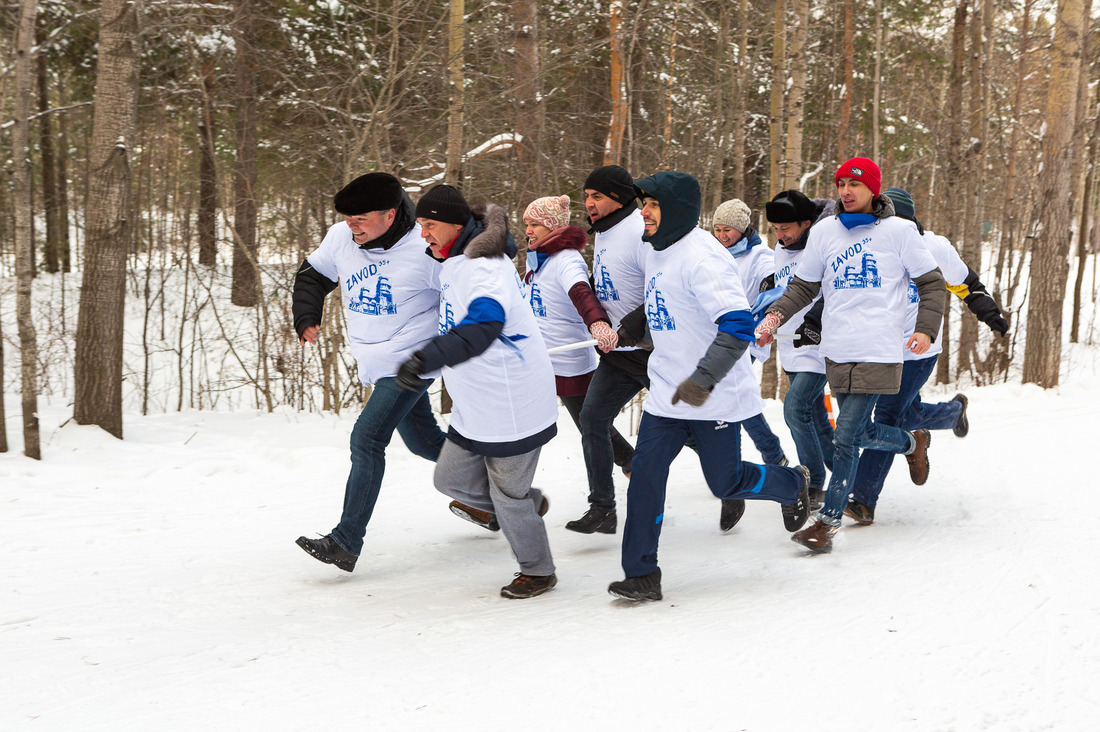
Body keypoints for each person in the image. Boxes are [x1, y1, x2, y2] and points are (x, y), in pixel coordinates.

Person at [607, 171, 811, 602]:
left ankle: (792, 484)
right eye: (643, 204)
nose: (643, 212)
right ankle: (642, 573)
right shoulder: (658, 249)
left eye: (652, 205)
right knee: (644, 479)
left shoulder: (704, 257)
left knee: (727, 483)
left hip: (712, 394)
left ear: (677, 210)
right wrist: (630, 329)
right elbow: (665, 304)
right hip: (666, 391)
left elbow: (737, 327)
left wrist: (702, 379)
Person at [756, 157, 946, 554]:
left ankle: (826, 522)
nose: (846, 191)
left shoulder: (899, 231)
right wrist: (774, 317)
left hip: (880, 346)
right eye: (841, 183)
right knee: (859, 433)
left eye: (855, 184)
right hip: (837, 348)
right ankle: (913, 442)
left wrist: (926, 329)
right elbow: (804, 288)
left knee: (845, 435)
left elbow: (932, 284)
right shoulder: (825, 231)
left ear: (873, 189)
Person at [395, 184, 559, 599]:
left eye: (429, 225)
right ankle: (527, 505)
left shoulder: (485, 267)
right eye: (420, 225)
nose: (423, 234)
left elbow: (485, 325)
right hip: (476, 405)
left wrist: (428, 359)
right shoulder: (455, 261)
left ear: (454, 224)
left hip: (511, 403)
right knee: (449, 480)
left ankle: (538, 572)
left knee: (506, 496)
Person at [294, 172, 446, 573]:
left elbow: (466, 295)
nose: (351, 225)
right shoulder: (341, 237)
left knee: (367, 438)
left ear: (390, 214)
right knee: (424, 443)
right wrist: (306, 313)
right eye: (347, 217)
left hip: (415, 358)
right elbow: (313, 275)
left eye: (360, 218)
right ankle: (503, 494)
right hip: (376, 362)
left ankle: (345, 541)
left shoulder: (425, 247)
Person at [844, 187, 1010, 524]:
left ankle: (862, 499)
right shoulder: (872, 242)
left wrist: (990, 314)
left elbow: (967, 284)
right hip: (881, 348)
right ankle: (952, 414)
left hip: (920, 351)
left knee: (887, 417)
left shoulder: (934, 247)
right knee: (908, 413)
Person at [568, 165, 649, 535]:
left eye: (597, 196)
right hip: (617, 354)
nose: (589, 203)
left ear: (618, 198)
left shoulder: (639, 230)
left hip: (652, 351)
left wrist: (630, 327)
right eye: (586, 196)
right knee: (592, 419)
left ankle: (730, 485)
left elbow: (662, 289)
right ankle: (602, 507)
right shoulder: (604, 231)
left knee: (690, 428)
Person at [520, 194, 633, 459]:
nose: (527, 230)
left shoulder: (567, 260)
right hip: (539, 357)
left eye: (534, 224)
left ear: (552, 226)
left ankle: (635, 463)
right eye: (527, 223)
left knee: (592, 427)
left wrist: (598, 325)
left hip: (568, 361)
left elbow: (582, 294)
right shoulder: (537, 257)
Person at [712, 198, 790, 532]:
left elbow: (774, 292)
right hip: (713, 340)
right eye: (716, 228)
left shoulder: (760, 257)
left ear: (742, 228)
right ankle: (766, 463)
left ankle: (741, 482)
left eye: (727, 229)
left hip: (743, 339)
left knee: (730, 406)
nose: (721, 234)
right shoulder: (711, 254)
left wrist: (754, 321)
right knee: (730, 406)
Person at [764, 189, 836, 511]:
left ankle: (815, 482)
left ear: (806, 223)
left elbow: (828, 290)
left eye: (786, 228)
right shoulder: (781, 249)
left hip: (816, 345)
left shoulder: (822, 246)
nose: (780, 236)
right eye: (775, 229)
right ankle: (851, 473)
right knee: (816, 418)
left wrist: (814, 321)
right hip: (789, 345)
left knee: (794, 410)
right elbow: (786, 284)